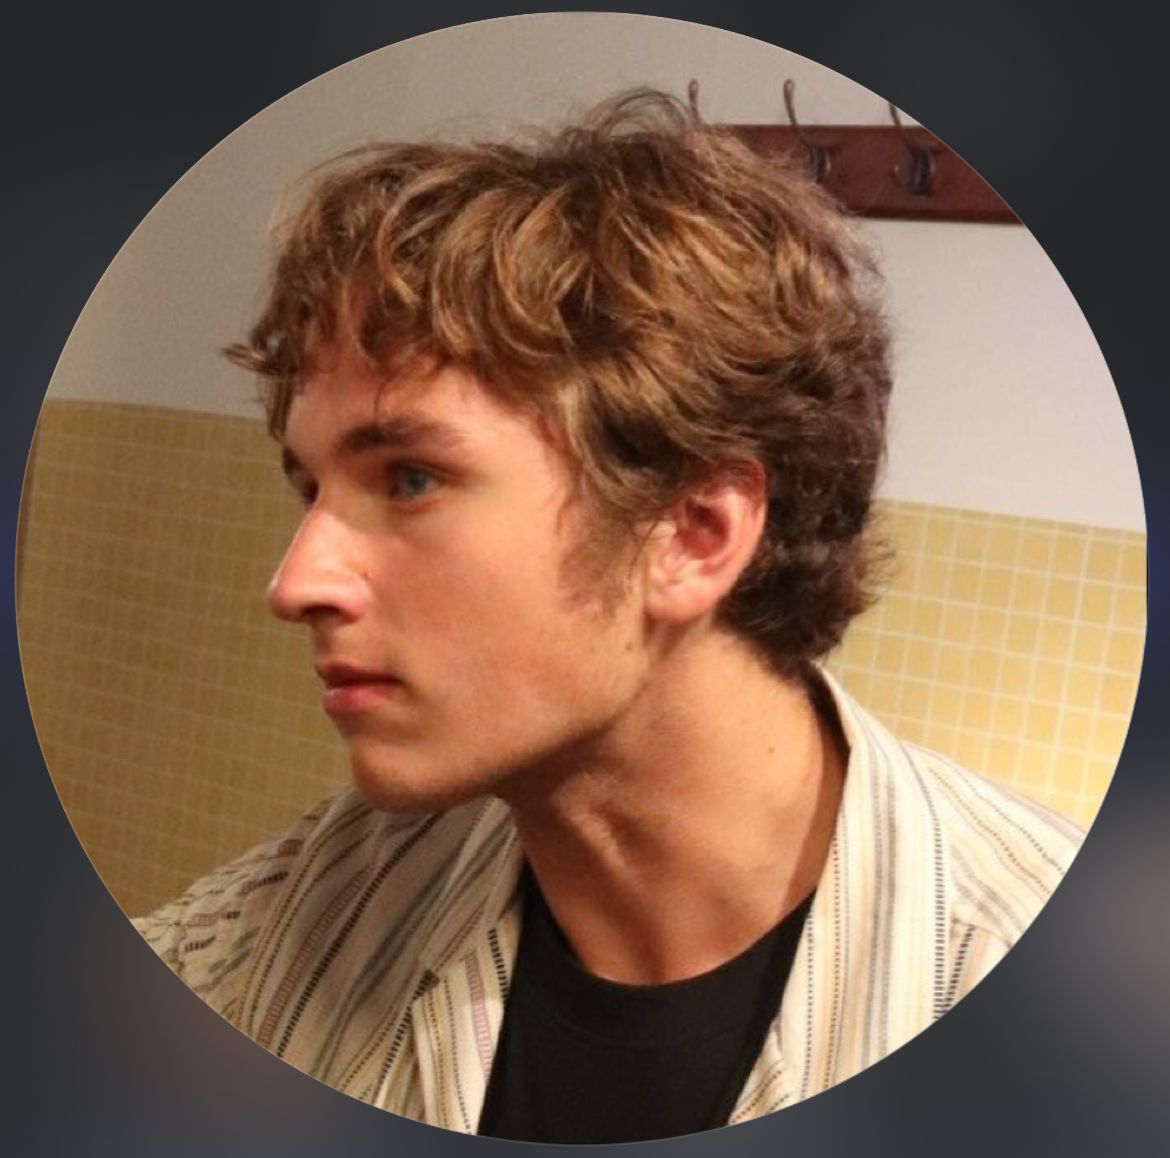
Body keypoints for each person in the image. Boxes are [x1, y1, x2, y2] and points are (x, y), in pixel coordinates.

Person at [133, 89, 1081, 1143]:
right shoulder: (332, 895)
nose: (296, 582)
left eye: (410, 480)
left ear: (694, 534)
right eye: (311, 490)